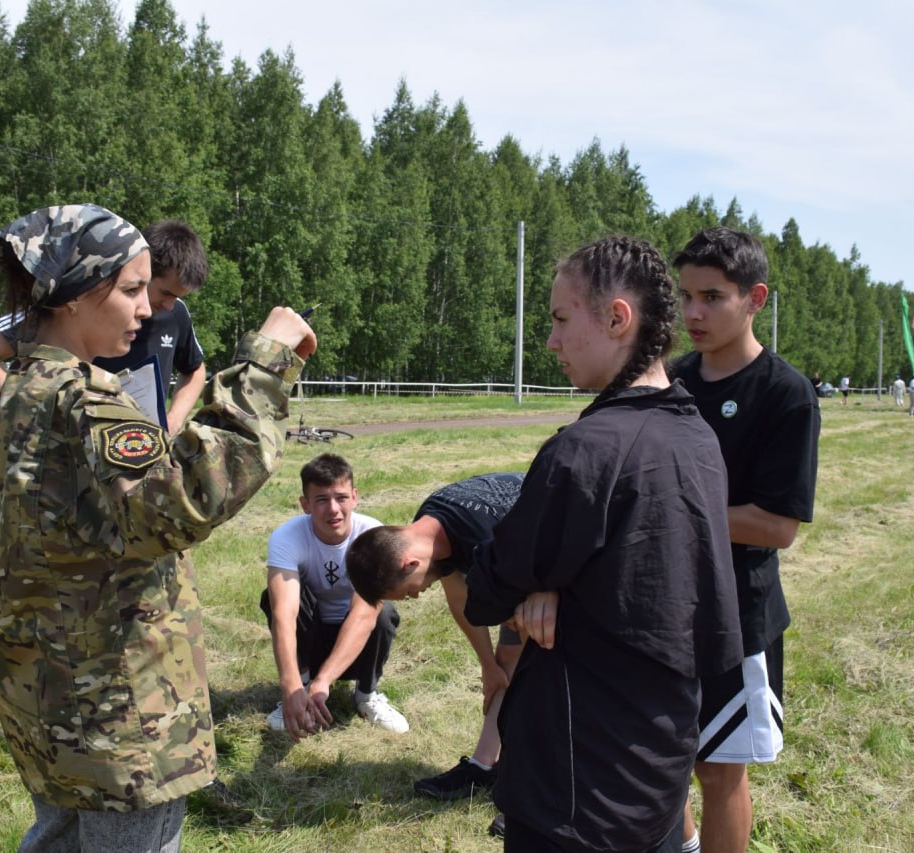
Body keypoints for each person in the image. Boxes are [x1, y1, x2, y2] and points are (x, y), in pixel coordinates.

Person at [0, 203, 316, 851]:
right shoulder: (87, 397)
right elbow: (180, 500)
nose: (145, 310)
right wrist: (265, 364)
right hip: (119, 718)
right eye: (131, 289)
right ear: (74, 296)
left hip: (49, 704)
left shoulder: (24, 389)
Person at [464, 235, 744, 852]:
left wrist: (534, 581)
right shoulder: (697, 438)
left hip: (575, 790)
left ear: (618, 318)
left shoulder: (585, 452)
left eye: (562, 320)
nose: (550, 341)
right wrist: (548, 581)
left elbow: (485, 589)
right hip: (658, 770)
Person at [670, 226, 820, 853]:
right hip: (662, 606)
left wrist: (678, 506)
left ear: (755, 298)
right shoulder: (669, 381)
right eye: (685, 297)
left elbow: (778, 526)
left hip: (737, 614)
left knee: (719, 769)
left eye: (712, 297)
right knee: (664, 760)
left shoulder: (785, 394)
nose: (693, 314)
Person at [346, 472, 526, 809]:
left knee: (543, 664)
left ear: (410, 563)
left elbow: (530, 615)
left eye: (406, 592)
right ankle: (484, 766)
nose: (414, 596)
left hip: (579, 559)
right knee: (506, 663)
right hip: (520, 567)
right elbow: (459, 597)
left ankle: (539, 786)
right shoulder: (429, 526)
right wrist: (489, 666)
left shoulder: (489, 542)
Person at [0, 219, 209, 432]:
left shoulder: (176, 314)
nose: (169, 304)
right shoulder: (69, 305)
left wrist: (174, 419)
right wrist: (33, 415)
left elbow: (195, 369)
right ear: (141, 267)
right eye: (164, 293)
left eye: (178, 297)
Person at [260, 453, 409, 742]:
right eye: (321, 499)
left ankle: (366, 694)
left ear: (354, 497)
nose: (333, 509)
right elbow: (283, 614)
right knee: (274, 596)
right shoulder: (286, 537)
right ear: (305, 504)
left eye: (341, 497)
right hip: (311, 637)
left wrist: (324, 682)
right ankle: (299, 691)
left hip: (356, 638)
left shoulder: (373, 535)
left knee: (384, 610)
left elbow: (364, 614)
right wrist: (290, 685)